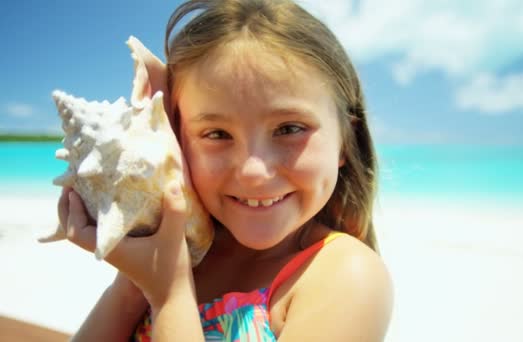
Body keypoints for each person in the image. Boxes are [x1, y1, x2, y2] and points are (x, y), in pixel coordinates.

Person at [58, 0, 393, 340]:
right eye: (217, 134)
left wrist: (170, 297)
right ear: (175, 140)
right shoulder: (182, 256)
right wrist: (132, 284)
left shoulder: (347, 275)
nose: (253, 171)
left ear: (345, 141)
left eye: (289, 128)